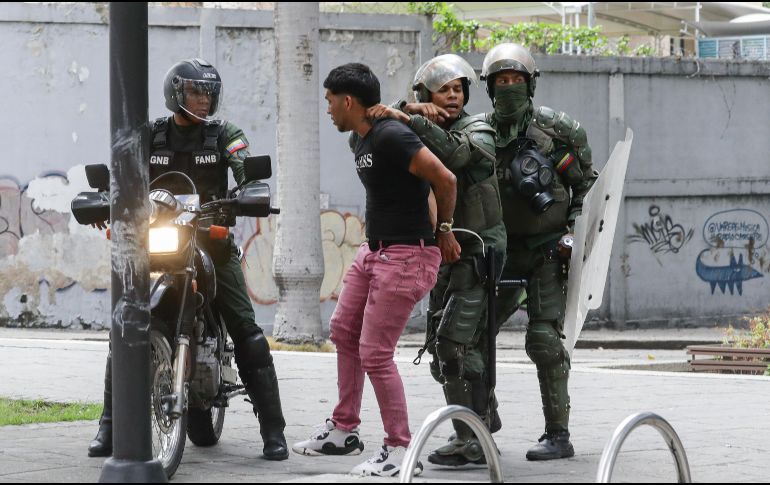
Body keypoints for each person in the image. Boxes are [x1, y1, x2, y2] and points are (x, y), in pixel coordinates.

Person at [87, 58, 289, 461]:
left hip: (211, 243)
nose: (203, 100)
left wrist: (250, 191)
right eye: (196, 92)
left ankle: (272, 429)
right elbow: (121, 175)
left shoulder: (222, 135)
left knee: (247, 332)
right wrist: (104, 201)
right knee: (125, 325)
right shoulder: (151, 136)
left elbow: (244, 167)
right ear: (176, 93)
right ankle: (109, 425)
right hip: (158, 243)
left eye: (208, 94)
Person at [291, 63, 456, 477]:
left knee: (376, 355)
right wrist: (404, 108)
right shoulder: (363, 137)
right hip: (374, 253)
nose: (327, 108)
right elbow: (385, 115)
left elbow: (445, 179)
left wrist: (447, 232)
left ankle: (401, 450)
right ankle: (344, 429)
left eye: (329, 100)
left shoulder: (390, 136)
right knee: (343, 331)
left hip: (406, 256)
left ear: (348, 101)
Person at [365, 54, 506, 467]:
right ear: (425, 94)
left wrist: (413, 118)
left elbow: (458, 158)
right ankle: (478, 425)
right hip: (441, 255)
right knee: (444, 354)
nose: (453, 96)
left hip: (479, 254)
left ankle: (474, 437)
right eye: (443, 89)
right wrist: (406, 110)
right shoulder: (413, 125)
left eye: (458, 88)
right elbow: (369, 136)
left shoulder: (477, 129)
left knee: (456, 345)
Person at [481, 43, 597, 460]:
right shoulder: (480, 134)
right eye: (501, 81)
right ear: (490, 88)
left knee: (544, 340)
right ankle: (480, 417)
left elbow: (586, 187)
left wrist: (574, 234)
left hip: (549, 250)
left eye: (516, 80)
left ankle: (558, 435)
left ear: (530, 84)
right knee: (474, 335)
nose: (508, 87)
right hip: (500, 250)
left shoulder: (555, 132)